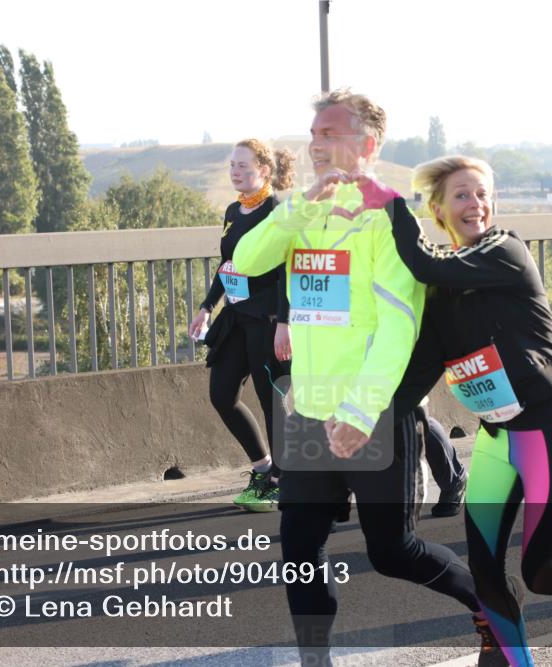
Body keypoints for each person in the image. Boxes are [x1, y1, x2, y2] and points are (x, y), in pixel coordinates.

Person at [232, 90, 485, 666]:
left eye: (330, 133)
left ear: (367, 144)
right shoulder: (303, 208)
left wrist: (359, 409)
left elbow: (399, 326)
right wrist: (296, 209)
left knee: (394, 551)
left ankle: (491, 605)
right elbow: (244, 263)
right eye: (313, 133)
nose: (315, 143)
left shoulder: (391, 213)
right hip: (308, 408)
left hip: (368, 412)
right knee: (298, 546)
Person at [384, 155, 552, 666]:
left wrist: (385, 202)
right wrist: (366, 423)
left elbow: (423, 261)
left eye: (483, 193)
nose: (476, 204)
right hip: (496, 439)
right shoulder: (440, 288)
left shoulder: (506, 249)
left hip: (551, 431)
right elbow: (421, 370)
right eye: (462, 195)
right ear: (441, 209)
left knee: (540, 572)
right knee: (486, 567)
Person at [188, 139, 295, 512]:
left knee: (272, 402)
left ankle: (283, 480)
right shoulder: (234, 210)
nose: (235, 171)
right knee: (222, 394)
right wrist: (206, 306)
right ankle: (263, 468)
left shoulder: (277, 210)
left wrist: (285, 323)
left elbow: (287, 270)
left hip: (268, 320)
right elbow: (228, 264)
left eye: (243, 166)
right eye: (232, 165)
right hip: (236, 317)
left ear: (264, 170)